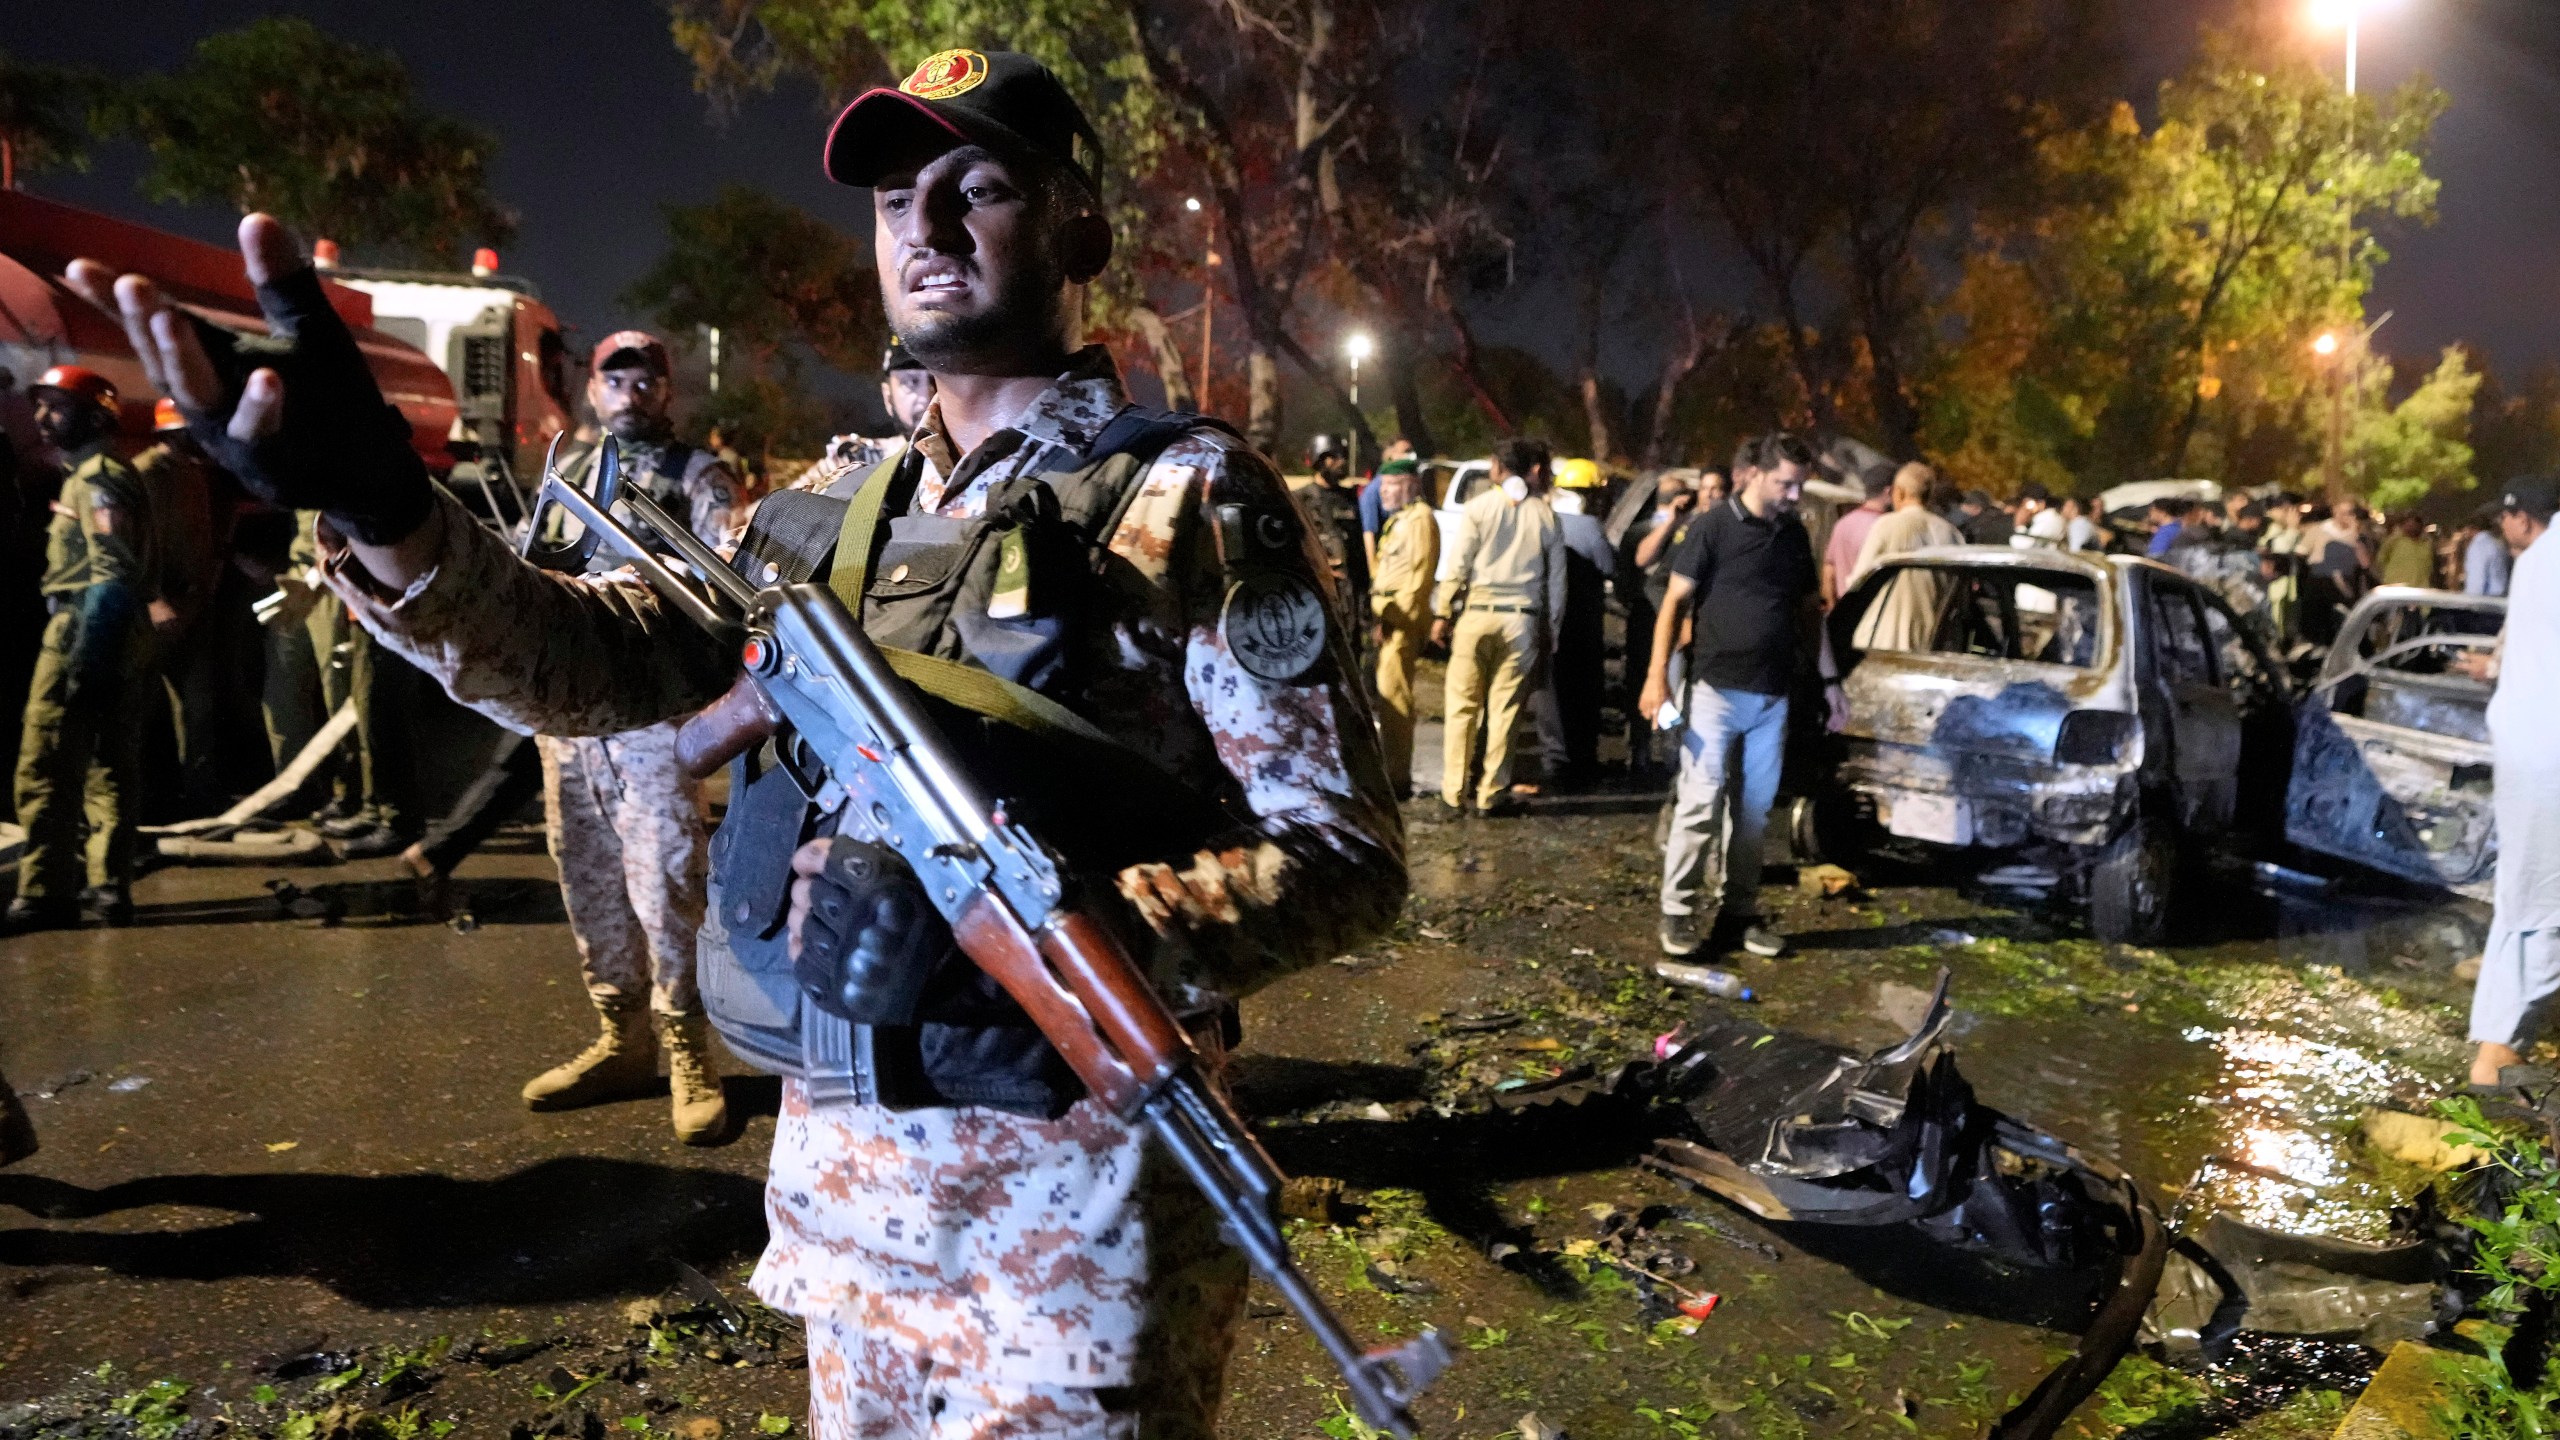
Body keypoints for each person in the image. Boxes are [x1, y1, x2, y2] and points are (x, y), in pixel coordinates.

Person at [69, 46, 1401, 1436]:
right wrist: (384, 508)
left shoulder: (1194, 498)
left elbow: (1345, 853)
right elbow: (591, 658)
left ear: (1080, 229)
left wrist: (1032, 936)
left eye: (978, 187)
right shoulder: (826, 503)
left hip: (1077, 1239)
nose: (926, 232)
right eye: (895, 204)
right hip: (854, 1224)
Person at [524, 329, 739, 1145]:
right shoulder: (573, 477)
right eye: (614, 377)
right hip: (570, 710)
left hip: (649, 710)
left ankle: (689, 1049)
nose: (629, 390)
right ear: (591, 389)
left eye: (645, 377)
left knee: (667, 877)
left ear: (666, 390)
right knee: (586, 873)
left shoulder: (698, 476)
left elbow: (724, 572)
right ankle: (622, 1041)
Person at [1641, 432, 1845, 961]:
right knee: (1699, 804)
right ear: (1754, 473)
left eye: (1799, 486)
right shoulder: (1711, 528)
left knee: (1753, 814)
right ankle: (1678, 914)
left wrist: (1830, 683)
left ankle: (1738, 915)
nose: (1794, 495)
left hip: (1771, 698)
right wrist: (1656, 677)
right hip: (1713, 691)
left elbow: (1808, 613)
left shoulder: (1794, 537)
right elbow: (1673, 604)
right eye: (1785, 484)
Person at [8, 367, 168, 931]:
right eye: (41, 406)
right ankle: (108, 888)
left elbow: (111, 573)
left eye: (56, 407)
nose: (42, 419)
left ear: (96, 417)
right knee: (111, 767)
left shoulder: (97, 479)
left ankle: (45, 893)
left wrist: (90, 658)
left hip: (86, 628)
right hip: (125, 634)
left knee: (47, 763)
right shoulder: (104, 473)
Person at [2468, 477, 2560, 1090]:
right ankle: (2500, 1049)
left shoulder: (2538, 562)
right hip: (2549, 749)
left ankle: (2495, 1037)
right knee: (2547, 902)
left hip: (2526, 746)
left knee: (2523, 894)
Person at [1433, 436, 1562, 817]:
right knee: (1505, 711)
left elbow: (1458, 565)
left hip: (1477, 615)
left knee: (1461, 707)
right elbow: (1557, 582)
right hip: (1521, 620)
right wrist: (1551, 626)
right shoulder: (1546, 516)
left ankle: (1453, 793)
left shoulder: (1477, 509)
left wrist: (1443, 612)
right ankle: (1492, 792)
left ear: (1497, 466)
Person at [1368, 459, 1438, 798]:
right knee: (1387, 699)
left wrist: (1394, 621)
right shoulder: (1401, 521)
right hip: (1389, 619)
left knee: (1395, 700)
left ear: (1409, 484)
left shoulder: (1420, 520)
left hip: (1400, 624)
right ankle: (1391, 771)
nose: (1384, 493)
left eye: (1390, 486)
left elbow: (1420, 578)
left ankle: (1396, 779)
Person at [1847, 461, 1966, 653]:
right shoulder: (1952, 534)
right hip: (1932, 649)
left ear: (1899, 492)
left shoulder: (1886, 525)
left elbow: (1858, 582)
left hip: (1882, 645)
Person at [1293, 434, 1369, 629]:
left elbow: (1359, 548)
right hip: (1318, 592)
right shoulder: (1301, 500)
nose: (1341, 462)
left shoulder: (1350, 499)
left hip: (1351, 593)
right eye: (1334, 457)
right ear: (1319, 459)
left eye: (1343, 456)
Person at [1822, 463, 1892, 606]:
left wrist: (1831, 609)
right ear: (1889, 491)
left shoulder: (1843, 524)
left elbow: (1829, 571)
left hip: (1845, 608)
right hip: (1874, 611)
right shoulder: (1887, 527)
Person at [2377, 512, 2437, 589]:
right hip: (2396, 589)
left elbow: (2431, 567)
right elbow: (2381, 560)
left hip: (2420, 589)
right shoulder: (2394, 540)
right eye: (2409, 525)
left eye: (2415, 525)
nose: (2412, 528)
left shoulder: (2427, 544)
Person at [2465, 503, 2513, 597]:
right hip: (2501, 599)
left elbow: (2476, 583)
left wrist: (2469, 605)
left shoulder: (2478, 547)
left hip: (2485, 603)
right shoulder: (2497, 544)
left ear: (2472, 528)